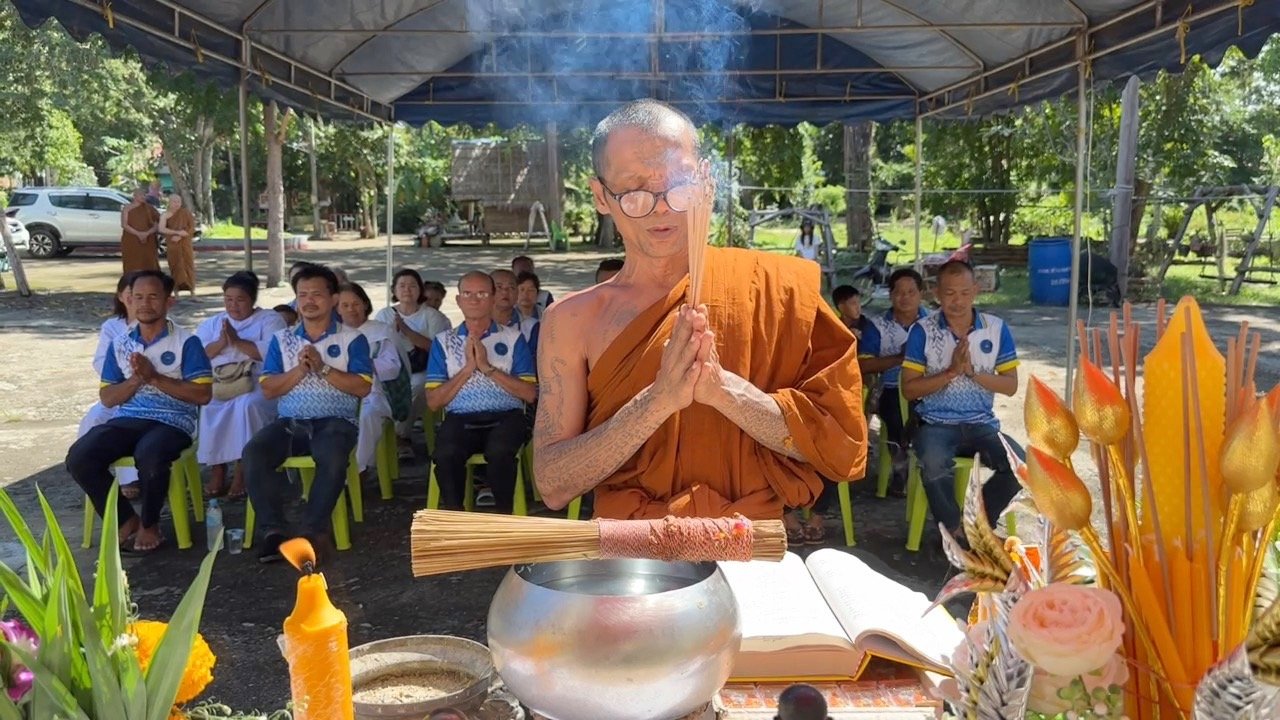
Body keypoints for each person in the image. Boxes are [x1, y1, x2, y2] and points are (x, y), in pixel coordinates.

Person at [532, 99, 866, 520]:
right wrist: (656, 402)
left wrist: (726, 392)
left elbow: (839, 444)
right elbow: (553, 483)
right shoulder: (572, 321)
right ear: (601, 195)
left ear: (705, 181)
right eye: (634, 192)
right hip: (632, 557)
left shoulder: (772, 289)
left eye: (678, 185)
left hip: (748, 550)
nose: (661, 208)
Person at [65, 270, 212, 554]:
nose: (144, 304)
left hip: (175, 420)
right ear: (128, 300)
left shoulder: (186, 342)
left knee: (151, 455)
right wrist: (136, 379)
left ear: (169, 301)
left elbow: (203, 395)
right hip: (129, 417)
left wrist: (155, 377)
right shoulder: (120, 343)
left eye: (153, 297)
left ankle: (150, 523)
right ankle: (126, 519)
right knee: (80, 457)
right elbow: (108, 398)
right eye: (138, 297)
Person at [244, 264, 373, 563]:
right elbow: (269, 389)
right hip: (290, 422)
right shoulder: (282, 340)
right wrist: (300, 370)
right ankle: (273, 532)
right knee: (254, 452)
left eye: (317, 294)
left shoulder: (353, 339)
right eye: (302, 295)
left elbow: (362, 388)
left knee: (332, 455)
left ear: (332, 298)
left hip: (336, 421)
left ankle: (312, 532)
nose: (309, 301)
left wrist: (323, 368)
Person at [900, 260, 1022, 536]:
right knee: (933, 464)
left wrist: (972, 372)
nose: (958, 301)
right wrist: (951, 372)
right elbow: (909, 389)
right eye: (950, 293)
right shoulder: (922, 330)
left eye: (965, 293)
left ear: (976, 290)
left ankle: (976, 523)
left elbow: (1010, 386)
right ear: (936, 294)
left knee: (1022, 466)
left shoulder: (995, 328)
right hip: (935, 423)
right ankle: (954, 530)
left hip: (981, 424)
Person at [426, 271, 538, 513]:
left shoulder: (513, 338)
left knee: (499, 453)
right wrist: (467, 370)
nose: (474, 300)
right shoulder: (443, 341)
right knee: (446, 454)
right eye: (467, 294)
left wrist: (487, 369)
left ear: (493, 298)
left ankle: (502, 520)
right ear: (458, 300)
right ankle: (457, 518)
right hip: (461, 417)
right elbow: (434, 402)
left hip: (507, 415)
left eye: (482, 293)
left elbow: (530, 394)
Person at [195, 271, 288, 501]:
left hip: (258, 381)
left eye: (240, 299)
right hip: (222, 382)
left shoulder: (270, 320)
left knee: (247, 405)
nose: (233, 305)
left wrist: (237, 342)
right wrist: (221, 342)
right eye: (228, 299)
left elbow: (274, 354)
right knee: (209, 404)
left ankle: (244, 467)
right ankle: (217, 467)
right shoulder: (213, 323)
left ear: (252, 299)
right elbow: (198, 356)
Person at [859, 269, 929, 497]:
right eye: (899, 292)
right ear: (890, 295)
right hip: (890, 387)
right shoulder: (877, 325)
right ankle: (901, 468)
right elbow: (864, 365)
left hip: (928, 386)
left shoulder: (934, 322)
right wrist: (901, 358)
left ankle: (929, 467)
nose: (905, 297)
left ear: (921, 294)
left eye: (911, 292)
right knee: (896, 413)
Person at [79, 272, 141, 498]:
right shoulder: (112, 326)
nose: (137, 301)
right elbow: (100, 361)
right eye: (132, 295)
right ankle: (92, 474)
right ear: (121, 297)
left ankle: (131, 478)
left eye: (143, 296)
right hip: (119, 389)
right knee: (96, 417)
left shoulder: (162, 325)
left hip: (150, 392)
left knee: (133, 423)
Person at [375, 268, 451, 451]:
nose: (407, 290)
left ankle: (400, 435)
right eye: (402, 286)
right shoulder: (384, 315)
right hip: (393, 368)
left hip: (423, 369)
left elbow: (436, 349)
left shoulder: (432, 316)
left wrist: (406, 331)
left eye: (412, 285)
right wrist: (392, 333)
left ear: (420, 290)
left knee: (417, 386)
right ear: (394, 290)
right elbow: (378, 348)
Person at [337, 281, 407, 473]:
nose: (352, 309)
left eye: (356, 303)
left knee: (367, 415)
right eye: (345, 305)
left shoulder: (381, 330)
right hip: (339, 393)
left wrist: (362, 365)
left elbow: (393, 368)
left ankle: (357, 472)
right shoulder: (333, 332)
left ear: (365, 304)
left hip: (378, 393)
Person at [159, 193, 197, 296]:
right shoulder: (165, 215)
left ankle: (192, 291)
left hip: (185, 244)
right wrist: (176, 233)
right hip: (173, 245)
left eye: (179, 202)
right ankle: (176, 292)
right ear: (169, 202)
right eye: (174, 202)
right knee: (175, 266)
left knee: (188, 266)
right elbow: (161, 228)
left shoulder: (185, 213)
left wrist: (181, 236)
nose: (177, 204)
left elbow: (191, 228)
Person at [120, 187, 160, 274]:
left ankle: (151, 280)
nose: (143, 197)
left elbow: (158, 222)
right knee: (132, 260)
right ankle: (132, 280)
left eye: (144, 195)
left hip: (148, 239)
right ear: (134, 196)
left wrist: (147, 233)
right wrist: (138, 234)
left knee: (149, 260)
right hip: (131, 239)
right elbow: (124, 225)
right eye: (141, 195)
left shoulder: (149, 208)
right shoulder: (127, 208)